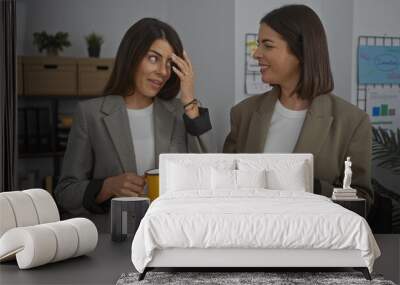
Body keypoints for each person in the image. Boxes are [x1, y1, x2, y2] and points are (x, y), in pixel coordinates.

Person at [55, 18, 214, 221]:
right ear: (132, 56)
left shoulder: (181, 113)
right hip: (112, 238)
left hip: (171, 232)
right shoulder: (91, 114)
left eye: (169, 63)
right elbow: (65, 192)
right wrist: (106, 187)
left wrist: (189, 100)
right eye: (153, 58)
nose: (163, 72)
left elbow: (210, 173)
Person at [223, 5, 373, 210]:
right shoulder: (243, 113)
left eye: (267, 45)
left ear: (301, 51)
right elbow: (225, 185)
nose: (256, 53)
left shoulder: (352, 122)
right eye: (258, 44)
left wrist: (315, 187)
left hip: (314, 237)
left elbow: (362, 201)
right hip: (251, 234)